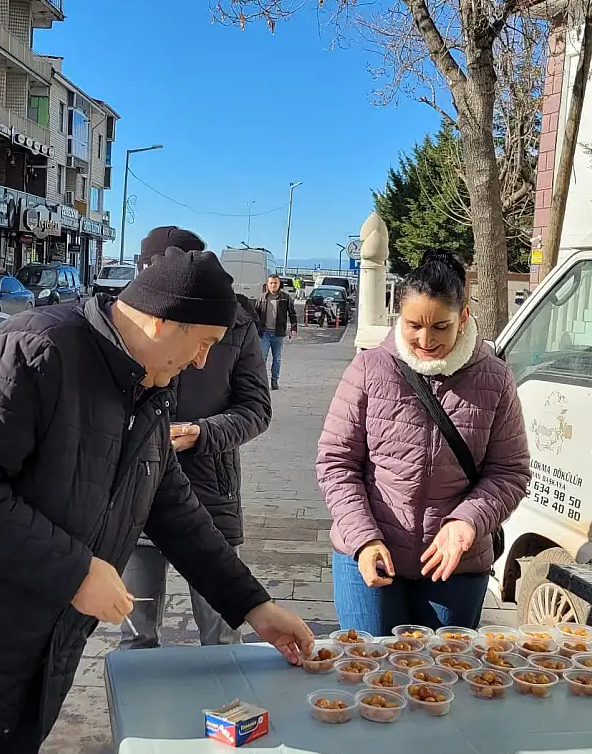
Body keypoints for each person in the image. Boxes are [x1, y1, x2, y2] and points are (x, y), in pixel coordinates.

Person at [0, 246, 313, 754]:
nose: (202, 361)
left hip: (29, 664)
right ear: (162, 322)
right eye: (204, 343)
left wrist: (253, 605)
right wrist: (76, 572)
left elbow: (174, 510)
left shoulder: (148, 388)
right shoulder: (34, 349)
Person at [316, 249, 529, 635]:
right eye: (414, 325)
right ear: (400, 316)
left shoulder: (494, 379)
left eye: (440, 327)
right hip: (369, 553)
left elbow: (509, 472)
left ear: (463, 318)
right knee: (370, 676)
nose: (425, 340)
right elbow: (336, 462)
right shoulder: (369, 369)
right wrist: (363, 538)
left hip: (456, 565)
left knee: (441, 683)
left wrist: (467, 522)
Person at [120, 227, 272, 649]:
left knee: (221, 632)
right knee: (135, 633)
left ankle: (229, 713)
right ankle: (143, 713)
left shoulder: (236, 328)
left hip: (208, 490)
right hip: (138, 490)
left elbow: (256, 410)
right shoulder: (127, 326)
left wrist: (201, 434)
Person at [254, 273, 297, 390]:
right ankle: (262, 382)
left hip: (278, 333)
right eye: (271, 283)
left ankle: (274, 381)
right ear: (267, 284)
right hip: (264, 333)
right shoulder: (262, 298)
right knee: (262, 358)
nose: (273, 285)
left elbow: (292, 313)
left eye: (275, 283)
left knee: (277, 358)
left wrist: (293, 328)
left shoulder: (285, 297)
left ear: (279, 284)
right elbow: (255, 314)